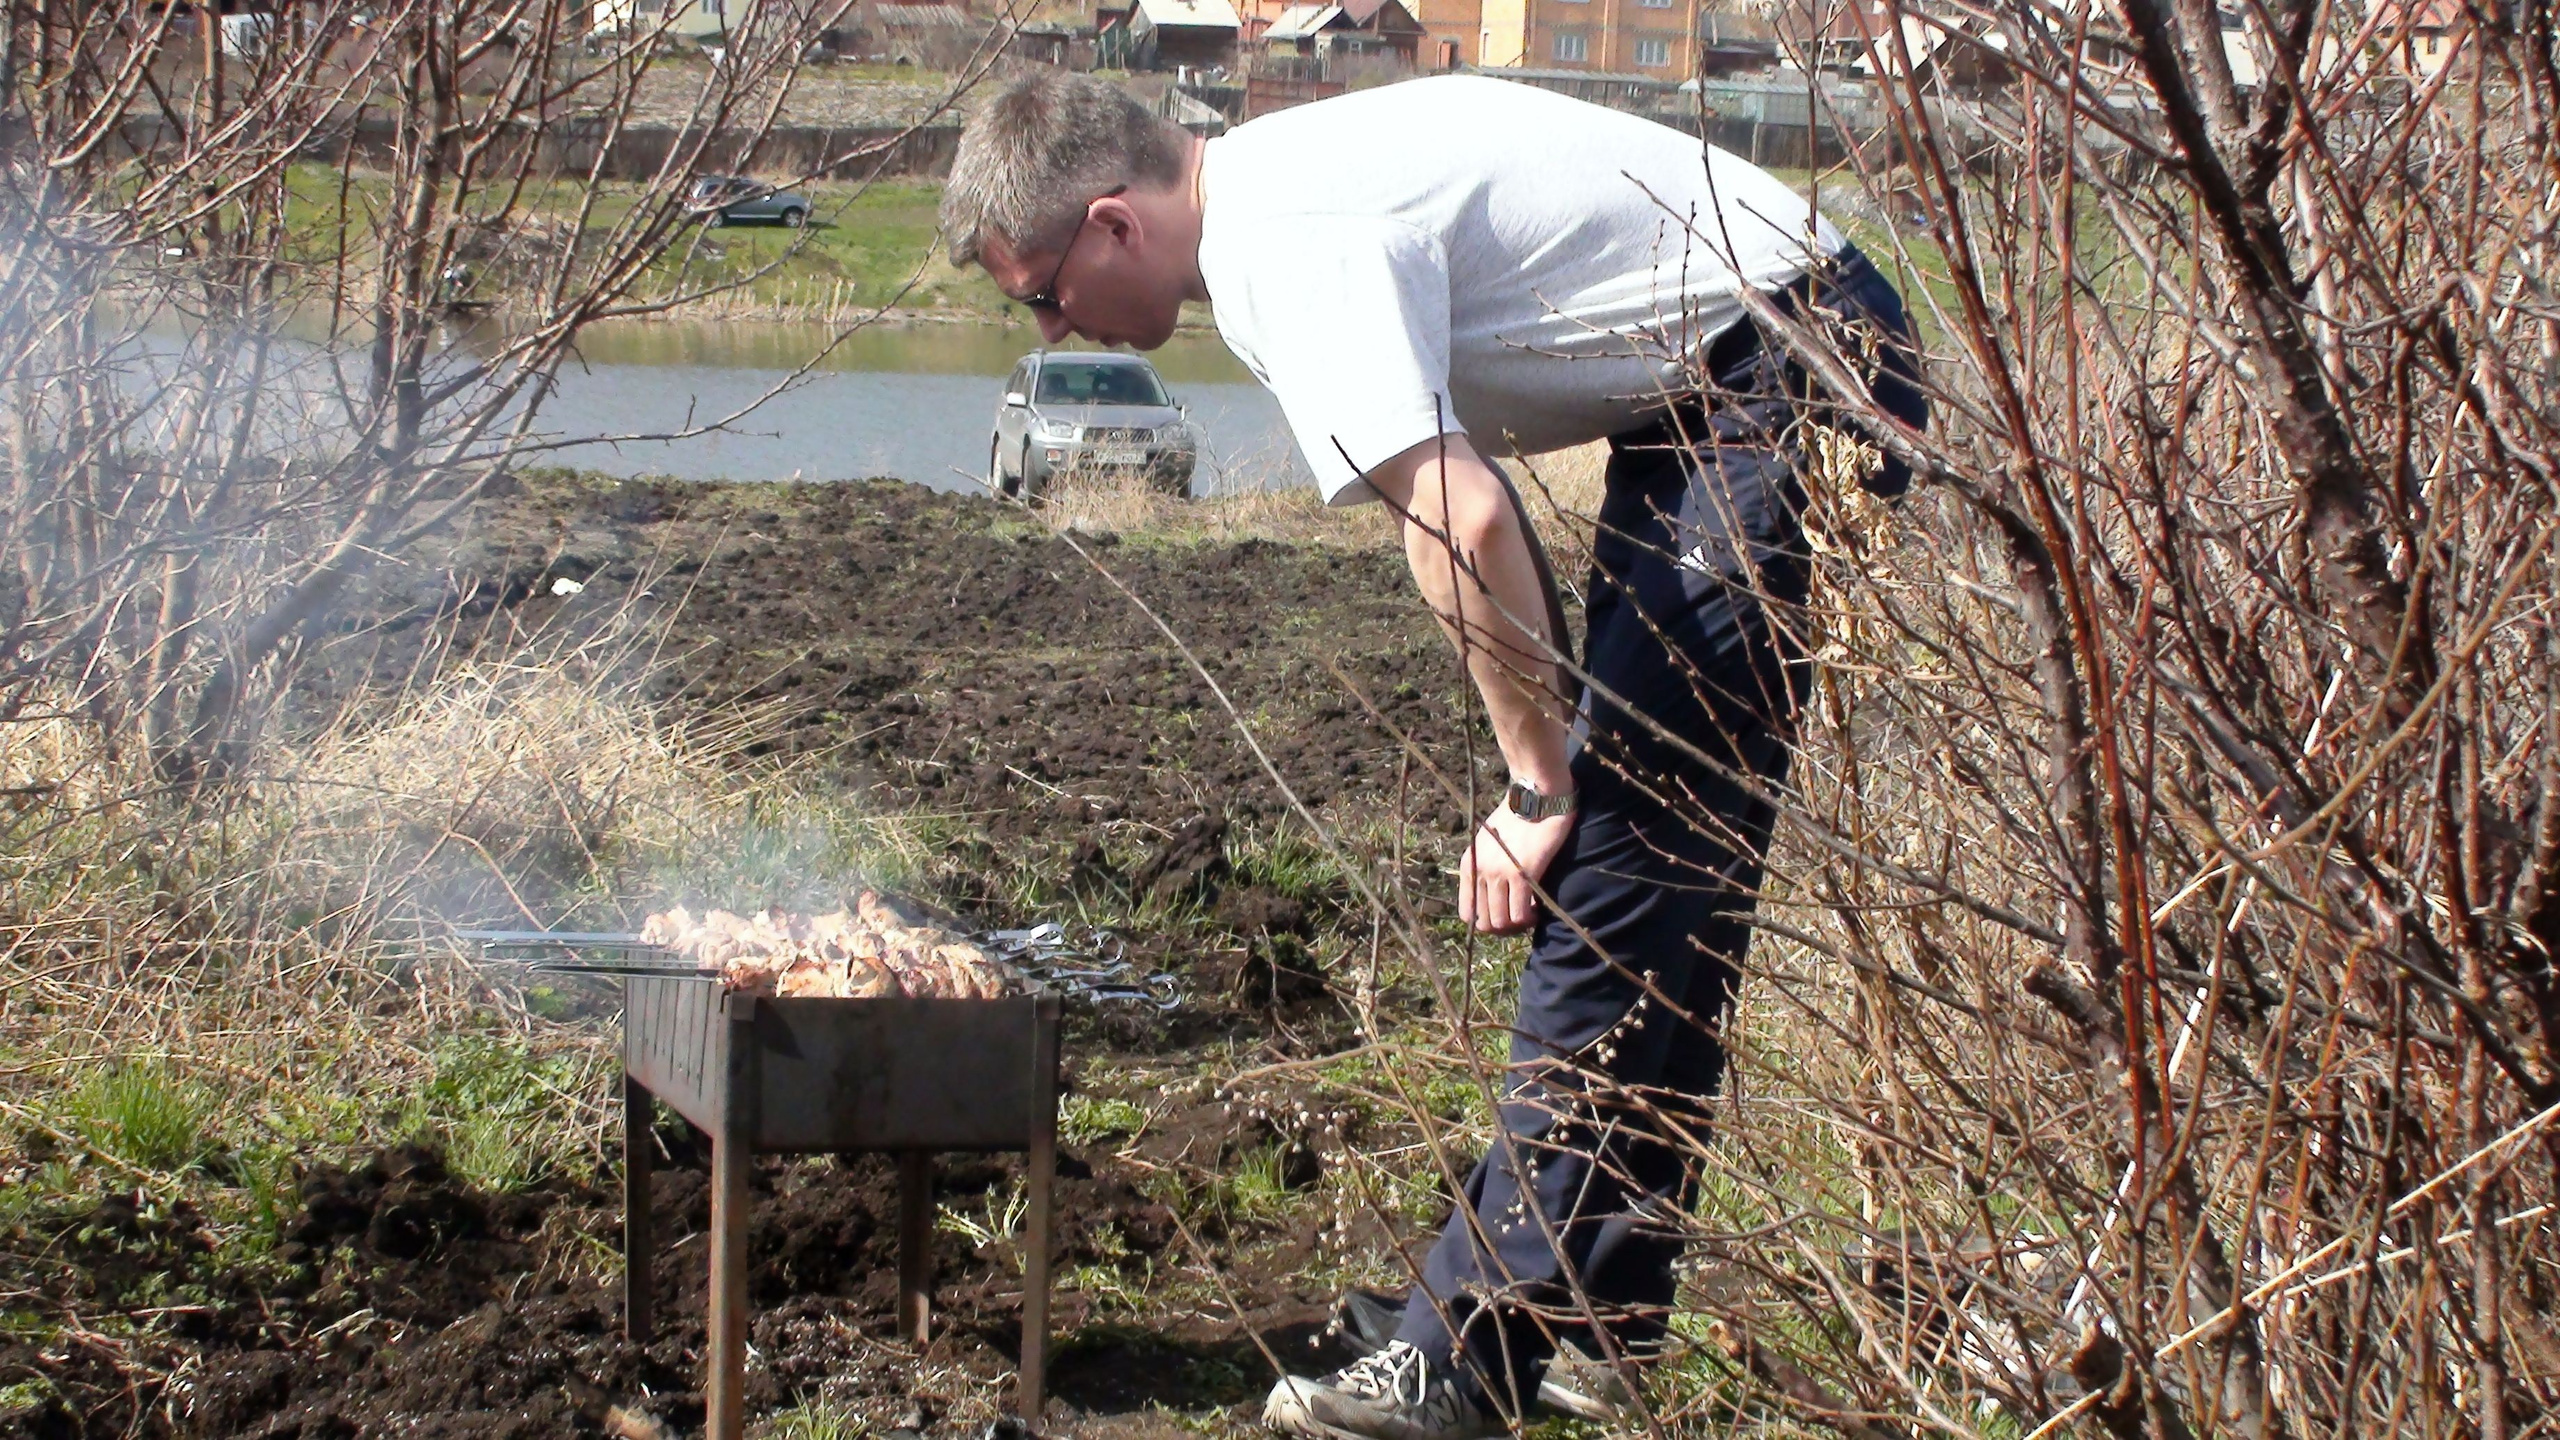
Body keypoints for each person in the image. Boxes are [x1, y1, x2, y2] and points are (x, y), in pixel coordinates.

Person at [939, 72, 1924, 1440]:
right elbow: (1482, 506)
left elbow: (1461, 524)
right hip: (1737, 374)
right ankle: (1586, 1316)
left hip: (1787, 364)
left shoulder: (1279, 242)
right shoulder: (1277, 186)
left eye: (1041, 295)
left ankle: (1460, 1361)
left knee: (1618, 861)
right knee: (1661, 872)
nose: (1050, 329)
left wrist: (1537, 785)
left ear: (1110, 225)